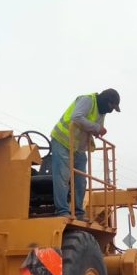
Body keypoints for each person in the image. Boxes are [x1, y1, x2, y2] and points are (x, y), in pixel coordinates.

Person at [49, 88, 121, 218]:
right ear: (106, 101)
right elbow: (75, 117)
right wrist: (96, 128)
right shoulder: (87, 100)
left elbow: (92, 127)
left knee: (81, 180)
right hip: (62, 140)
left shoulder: (101, 112)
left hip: (78, 147)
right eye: (111, 107)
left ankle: (78, 212)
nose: (111, 111)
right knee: (63, 176)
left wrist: (97, 131)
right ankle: (62, 211)